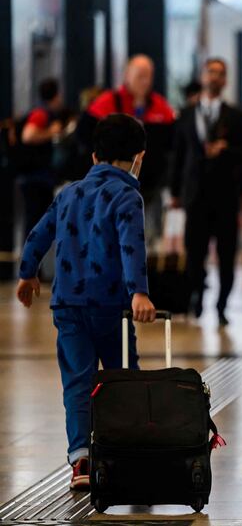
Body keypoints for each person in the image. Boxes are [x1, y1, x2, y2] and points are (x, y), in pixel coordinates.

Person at [15, 114, 157, 490]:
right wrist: (139, 292)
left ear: (94, 157)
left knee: (78, 382)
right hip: (111, 307)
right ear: (139, 157)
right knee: (122, 377)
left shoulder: (68, 193)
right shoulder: (128, 195)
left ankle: (81, 460)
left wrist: (27, 273)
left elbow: (38, 233)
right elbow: (131, 246)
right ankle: (128, 449)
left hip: (68, 306)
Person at [170, 58, 242, 327]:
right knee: (194, 251)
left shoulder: (236, 117)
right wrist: (175, 191)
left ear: (225, 81)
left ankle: (222, 304)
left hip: (225, 195)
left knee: (227, 254)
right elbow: (178, 154)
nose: (214, 77)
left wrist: (226, 150)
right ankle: (197, 296)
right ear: (203, 76)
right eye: (210, 72)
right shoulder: (187, 114)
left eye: (220, 73)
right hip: (195, 193)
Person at [77, 55, 175, 243]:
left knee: (142, 238)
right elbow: (84, 136)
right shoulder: (107, 102)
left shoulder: (160, 106)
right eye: (140, 76)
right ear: (127, 75)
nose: (145, 82)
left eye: (149, 76)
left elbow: (172, 143)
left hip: (148, 187)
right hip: (110, 188)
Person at [17, 78, 69, 237]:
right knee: (34, 221)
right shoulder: (41, 114)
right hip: (35, 178)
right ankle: (30, 259)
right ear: (57, 95)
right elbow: (28, 136)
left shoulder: (45, 113)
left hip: (40, 177)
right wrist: (51, 132)